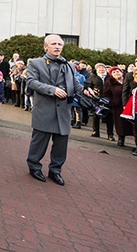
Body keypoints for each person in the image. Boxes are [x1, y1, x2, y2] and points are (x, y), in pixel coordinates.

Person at [25, 34, 91, 186]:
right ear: (45, 47)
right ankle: (34, 166)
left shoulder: (67, 65)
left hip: (63, 112)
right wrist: (52, 90)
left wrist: (85, 91)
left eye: (60, 44)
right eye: (53, 43)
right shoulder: (36, 63)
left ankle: (55, 171)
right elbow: (31, 82)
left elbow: (75, 84)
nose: (57, 47)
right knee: (39, 142)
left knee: (61, 145)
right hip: (45, 110)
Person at [103, 66, 128, 146]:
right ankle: (121, 138)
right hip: (117, 106)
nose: (116, 73)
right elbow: (106, 95)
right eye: (114, 72)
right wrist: (112, 102)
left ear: (122, 72)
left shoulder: (127, 80)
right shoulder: (109, 83)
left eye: (118, 71)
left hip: (129, 104)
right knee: (120, 123)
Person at [86, 63, 109, 138]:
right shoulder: (93, 76)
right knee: (96, 115)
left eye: (103, 67)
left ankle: (110, 134)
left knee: (109, 116)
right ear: (96, 69)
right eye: (99, 68)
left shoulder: (109, 76)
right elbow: (88, 86)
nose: (101, 69)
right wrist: (91, 92)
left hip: (107, 98)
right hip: (96, 98)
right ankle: (95, 131)